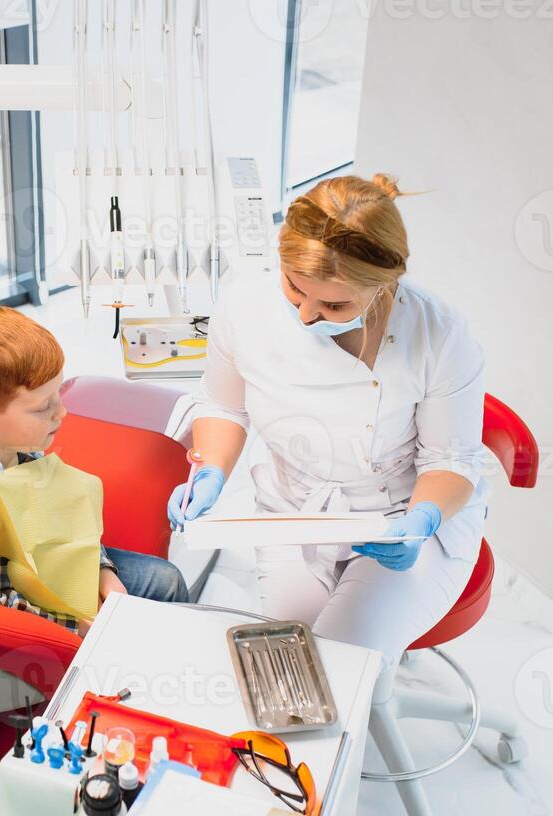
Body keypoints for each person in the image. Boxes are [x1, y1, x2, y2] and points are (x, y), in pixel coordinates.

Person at [167, 173, 488, 667]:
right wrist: (209, 471)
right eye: (294, 288)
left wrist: (420, 522)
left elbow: (452, 459)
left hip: (401, 521)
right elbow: (223, 407)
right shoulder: (244, 307)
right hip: (293, 512)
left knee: (342, 666)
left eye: (334, 304)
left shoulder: (439, 335)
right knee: (290, 662)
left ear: (385, 284)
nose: (305, 315)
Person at [0, 303, 189, 633]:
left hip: (33, 570)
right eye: (42, 407)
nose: (62, 412)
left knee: (166, 581)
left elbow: (64, 524)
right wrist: (75, 623)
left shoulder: (16, 446)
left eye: (58, 394)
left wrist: (100, 572)